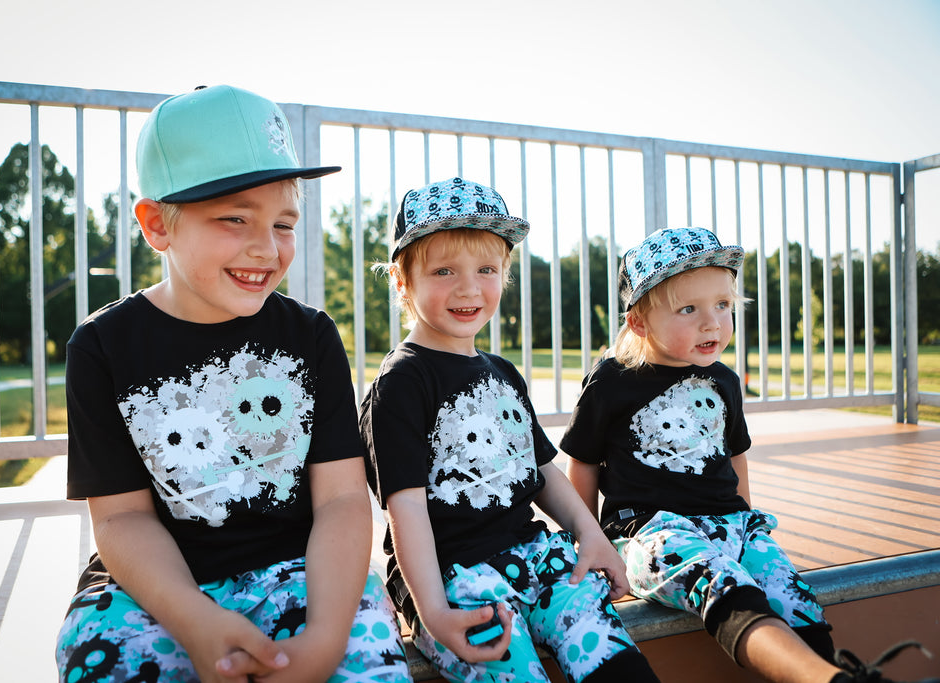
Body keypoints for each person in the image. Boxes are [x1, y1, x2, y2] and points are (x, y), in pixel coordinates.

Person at [55, 85, 412, 683]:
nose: (266, 248)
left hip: (300, 574)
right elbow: (121, 519)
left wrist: (326, 639)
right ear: (157, 224)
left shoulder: (311, 337)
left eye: (283, 223)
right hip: (156, 589)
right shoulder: (102, 347)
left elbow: (343, 500)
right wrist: (195, 621)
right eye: (234, 218)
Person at [561, 227, 939, 683]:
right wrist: (590, 544)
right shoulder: (612, 380)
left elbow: (735, 455)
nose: (712, 323)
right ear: (639, 322)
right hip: (650, 531)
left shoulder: (724, 380)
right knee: (724, 583)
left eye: (723, 305)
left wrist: (748, 523)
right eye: (688, 309)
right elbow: (583, 462)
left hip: (731, 522)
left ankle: (830, 667)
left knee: (789, 591)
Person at [360, 177, 660, 683]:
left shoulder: (501, 373)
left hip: (532, 558)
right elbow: (404, 507)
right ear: (402, 280)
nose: (468, 288)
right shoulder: (403, 382)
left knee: (617, 662)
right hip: (453, 579)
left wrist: (591, 536)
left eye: (486, 269)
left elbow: (542, 472)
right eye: (444, 270)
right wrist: (433, 611)